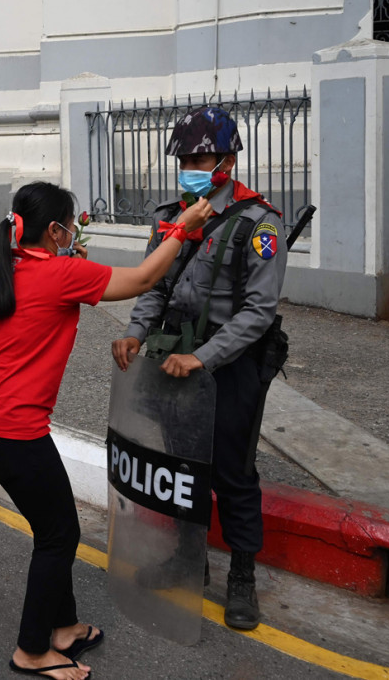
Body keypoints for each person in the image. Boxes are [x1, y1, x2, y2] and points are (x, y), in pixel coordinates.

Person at [0, 181, 212, 679]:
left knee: (52, 525)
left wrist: (66, 255)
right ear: (55, 230)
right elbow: (142, 280)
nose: (73, 232)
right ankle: (32, 650)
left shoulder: (9, 267)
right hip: (14, 433)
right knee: (59, 534)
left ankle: (64, 626)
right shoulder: (60, 273)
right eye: (69, 225)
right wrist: (181, 231)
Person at [111, 107, 287, 631]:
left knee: (233, 473)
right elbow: (155, 286)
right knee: (181, 471)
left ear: (227, 161)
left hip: (228, 368)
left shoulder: (260, 222)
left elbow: (259, 312)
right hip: (172, 360)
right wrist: (135, 332)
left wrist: (203, 357)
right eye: (184, 157)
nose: (190, 165)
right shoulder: (174, 217)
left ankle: (241, 578)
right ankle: (189, 561)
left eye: (201, 156)